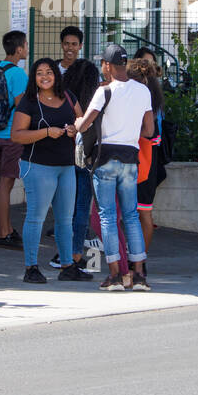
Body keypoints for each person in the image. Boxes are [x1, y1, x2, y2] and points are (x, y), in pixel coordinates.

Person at [73, 44, 155, 291]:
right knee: (131, 216)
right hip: (131, 158)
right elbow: (149, 131)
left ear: (107, 66)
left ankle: (116, 276)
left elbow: (84, 125)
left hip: (105, 159)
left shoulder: (104, 91)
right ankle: (139, 275)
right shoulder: (142, 91)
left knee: (108, 217)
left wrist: (77, 122)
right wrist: (129, 133)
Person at [11, 59, 89, 284]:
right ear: (33, 78)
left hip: (66, 167)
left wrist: (75, 129)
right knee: (36, 217)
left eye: (49, 72)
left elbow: (82, 122)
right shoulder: (28, 102)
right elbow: (17, 135)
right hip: (38, 166)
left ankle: (67, 265)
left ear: (56, 74)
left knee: (65, 219)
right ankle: (31, 267)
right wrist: (45, 132)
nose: (44, 77)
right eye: (39, 73)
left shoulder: (68, 96)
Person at [55, 58, 101, 271]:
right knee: (83, 207)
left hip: (63, 157)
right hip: (85, 158)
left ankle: (62, 254)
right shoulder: (95, 101)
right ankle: (76, 253)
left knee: (64, 208)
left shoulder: (62, 98)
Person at [0, 30, 29, 249]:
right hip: (13, 134)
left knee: (4, 180)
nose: (27, 48)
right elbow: (22, 105)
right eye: (26, 45)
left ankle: (8, 229)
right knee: (6, 183)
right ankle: (3, 233)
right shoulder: (19, 74)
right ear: (19, 48)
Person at [129, 55, 167, 253]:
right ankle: (139, 259)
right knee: (143, 213)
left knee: (138, 214)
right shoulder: (153, 103)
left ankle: (136, 257)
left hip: (139, 164)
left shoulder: (143, 106)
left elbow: (149, 133)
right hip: (147, 164)